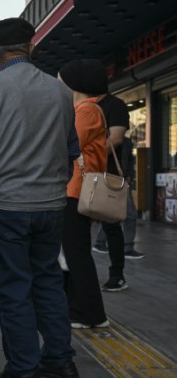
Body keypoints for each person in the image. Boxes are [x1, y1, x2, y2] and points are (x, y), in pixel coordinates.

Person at [0, 17, 80, 378]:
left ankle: (24, 370)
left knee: (11, 286)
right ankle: (60, 359)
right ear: (32, 47)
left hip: (4, 205)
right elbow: (72, 148)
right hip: (50, 205)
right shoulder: (61, 93)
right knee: (47, 280)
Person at [58, 59, 110, 329]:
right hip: (75, 189)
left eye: (61, 81)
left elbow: (67, 143)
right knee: (73, 251)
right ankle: (78, 309)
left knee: (76, 252)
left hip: (76, 191)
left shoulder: (87, 110)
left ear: (74, 85)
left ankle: (91, 314)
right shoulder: (83, 109)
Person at [91, 93, 143, 293]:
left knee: (113, 225)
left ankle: (117, 275)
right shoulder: (78, 104)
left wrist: (86, 158)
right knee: (78, 228)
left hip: (108, 177)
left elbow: (118, 140)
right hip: (86, 175)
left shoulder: (114, 105)